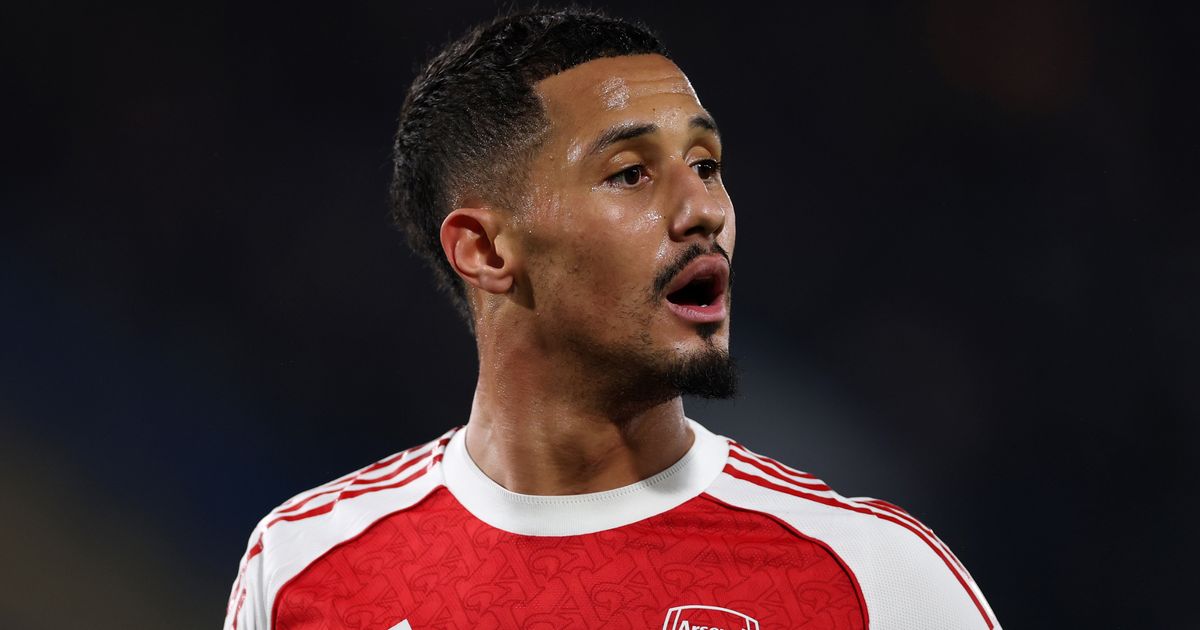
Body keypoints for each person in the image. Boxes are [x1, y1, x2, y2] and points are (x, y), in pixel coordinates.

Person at [223, 8, 1000, 630]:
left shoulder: (870, 580)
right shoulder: (305, 572)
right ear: (485, 250)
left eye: (706, 166)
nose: (703, 210)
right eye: (630, 174)